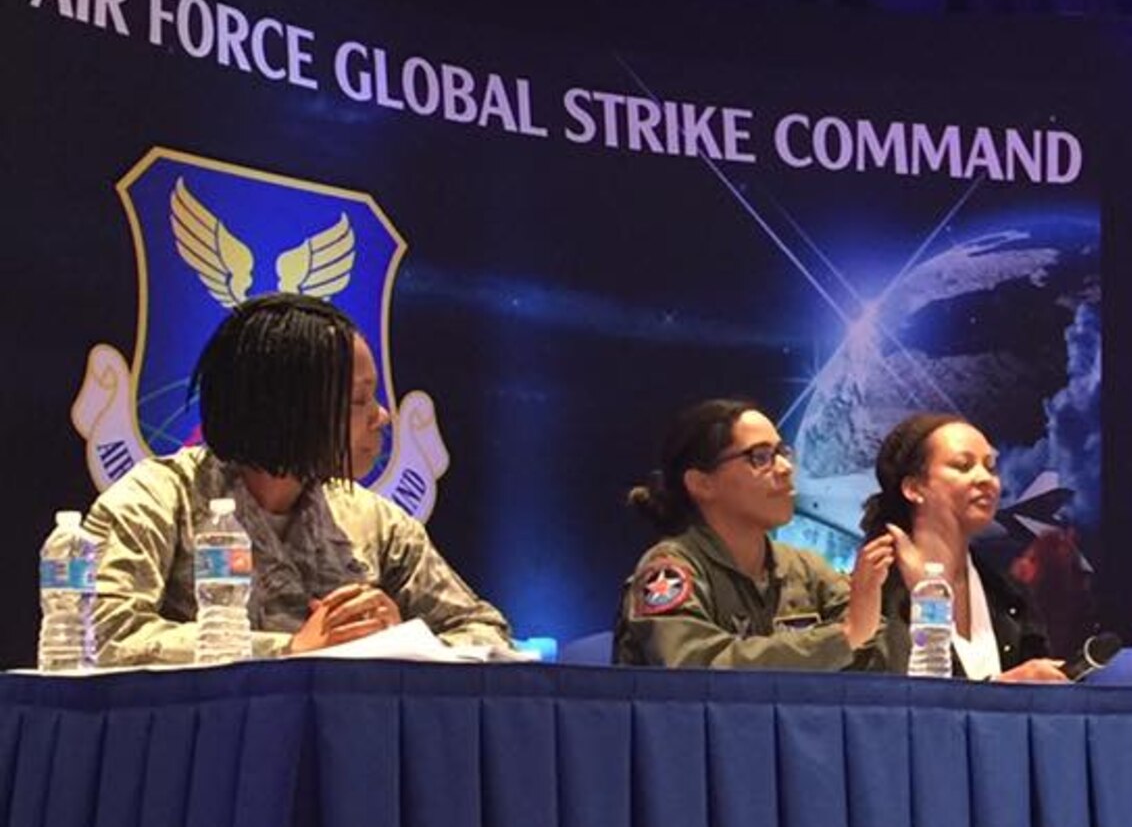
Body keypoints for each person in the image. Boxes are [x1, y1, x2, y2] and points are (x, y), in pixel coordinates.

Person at [84, 293, 511, 664]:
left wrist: (405, 641)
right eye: (360, 400)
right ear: (288, 408)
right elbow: (102, 635)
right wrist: (287, 650)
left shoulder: (377, 522)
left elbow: (486, 633)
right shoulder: (155, 500)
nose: (381, 416)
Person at [614, 398, 894, 669]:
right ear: (702, 484)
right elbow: (695, 667)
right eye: (760, 457)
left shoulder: (806, 569)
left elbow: (876, 647)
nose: (786, 468)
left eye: (782, 453)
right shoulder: (670, 571)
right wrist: (842, 638)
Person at [863, 412, 1068, 682]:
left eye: (990, 466)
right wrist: (1003, 688)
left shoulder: (1009, 595)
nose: (985, 479)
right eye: (963, 466)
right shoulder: (876, 590)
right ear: (914, 488)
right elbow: (878, 703)